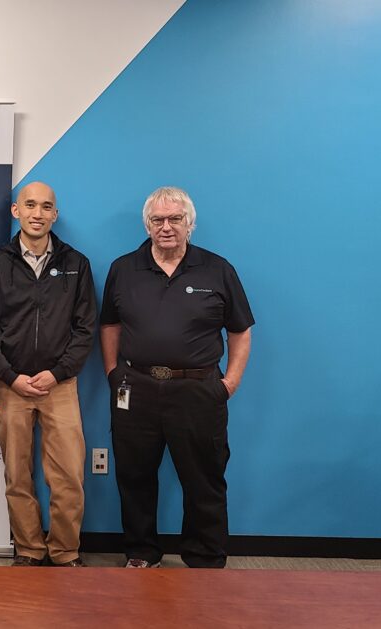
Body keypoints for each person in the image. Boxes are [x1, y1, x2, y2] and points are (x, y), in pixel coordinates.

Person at [100, 186, 253, 569]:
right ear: (147, 225)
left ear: (189, 223)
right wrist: (113, 373)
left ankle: (204, 559)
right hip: (135, 389)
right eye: (158, 220)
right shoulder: (124, 269)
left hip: (198, 390)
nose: (166, 227)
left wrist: (229, 383)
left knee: (205, 480)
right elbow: (109, 325)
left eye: (175, 219)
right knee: (134, 477)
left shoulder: (217, 269)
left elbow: (240, 330)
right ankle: (141, 553)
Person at [0, 182, 96, 567]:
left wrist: (57, 373)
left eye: (46, 207)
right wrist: (11, 376)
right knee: (17, 475)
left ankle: (65, 552)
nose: (37, 214)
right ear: (16, 211)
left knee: (68, 476)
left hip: (60, 386)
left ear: (55, 214)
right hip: (10, 386)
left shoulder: (77, 264)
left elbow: (85, 329)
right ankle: (28, 550)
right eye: (30, 205)